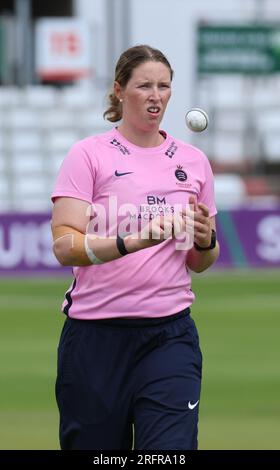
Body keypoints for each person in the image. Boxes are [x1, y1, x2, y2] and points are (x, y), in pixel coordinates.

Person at [51, 44, 219, 451]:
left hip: (170, 336)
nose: (155, 95)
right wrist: (134, 241)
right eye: (144, 85)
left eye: (164, 86)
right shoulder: (88, 155)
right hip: (95, 337)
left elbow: (201, 262)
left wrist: (205, 238)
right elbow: (65, 245)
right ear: (119, 90)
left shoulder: (193, 161)